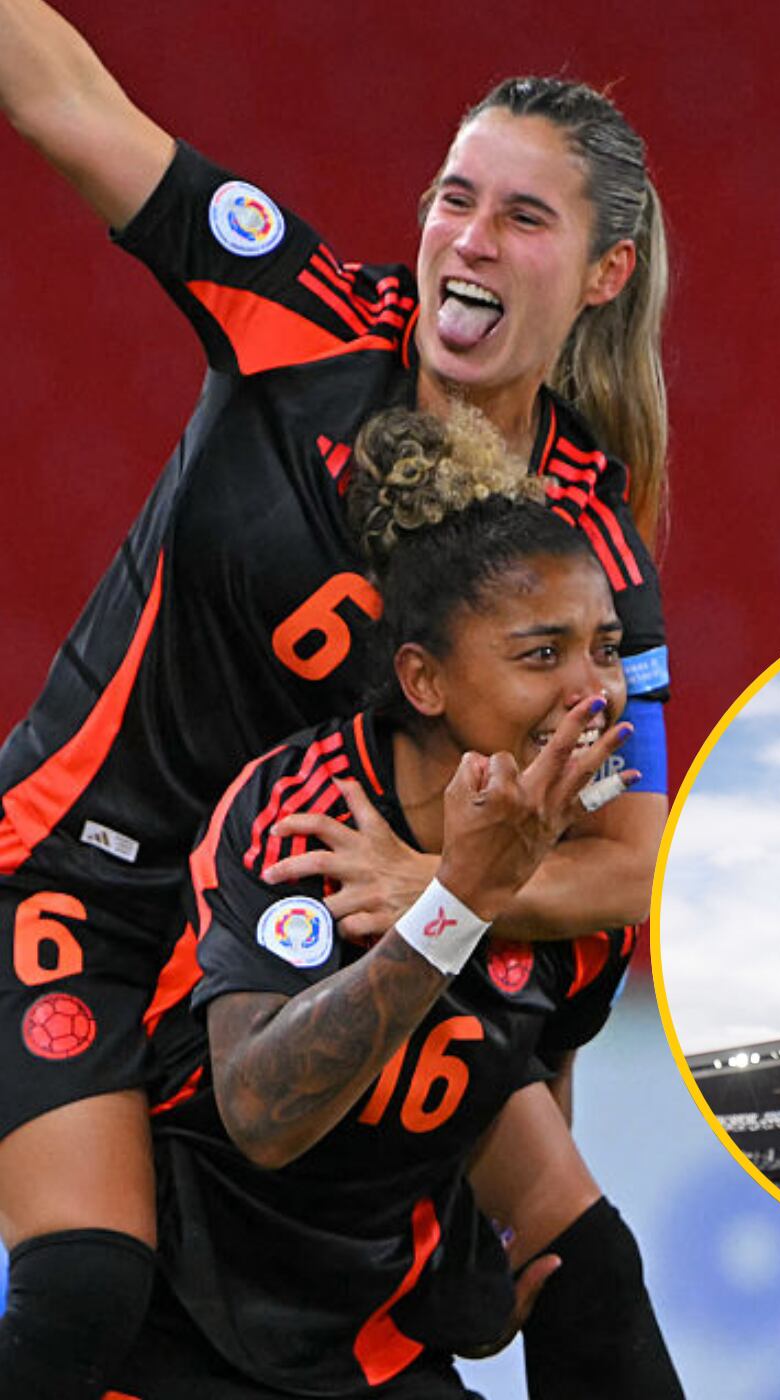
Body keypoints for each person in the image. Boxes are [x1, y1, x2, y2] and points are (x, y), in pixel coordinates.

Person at [0, 2, 672, 1393]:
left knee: (586, 1272)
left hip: (328, 933)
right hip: (89, 885)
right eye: (453, 197)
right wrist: (445, 893)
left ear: (604, 274)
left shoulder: (588, 551)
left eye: (523, 218)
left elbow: (639, 858)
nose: (470, 240)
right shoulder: (301, 321)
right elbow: (70, 101)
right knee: (83, 1288)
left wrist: (445, 886)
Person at [119, 404, 679, 1398]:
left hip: (373, 1337)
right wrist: (456, 903)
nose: (592, 691)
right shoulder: (305, 824)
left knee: (594, 1271)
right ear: (421, 679)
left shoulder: (579, 870)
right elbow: (260, 1111)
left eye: (603, 648)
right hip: (184, 1327)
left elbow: (533, 1053)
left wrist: (483, 1244)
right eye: (541, 654)